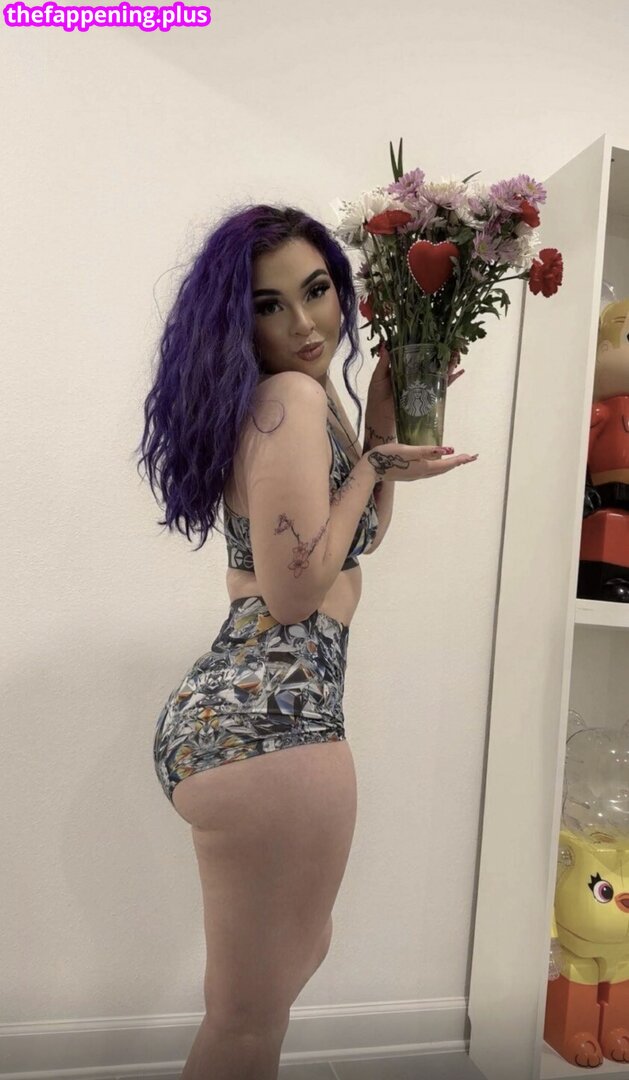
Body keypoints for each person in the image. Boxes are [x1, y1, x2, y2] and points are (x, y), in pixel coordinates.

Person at [136, 203, 478, 1080]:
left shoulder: (298, 399)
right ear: (237, 321)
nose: (303, 322)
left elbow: (353, 542)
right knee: (247, 1023)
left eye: (316, 290)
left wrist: (378, 428)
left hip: (240, 717)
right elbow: (294, 594)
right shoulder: (288, 398)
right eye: (269, 305)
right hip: (277, 718)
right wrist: (369, 467)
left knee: (277, 976)